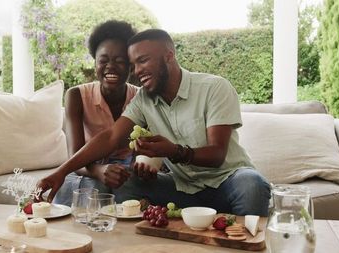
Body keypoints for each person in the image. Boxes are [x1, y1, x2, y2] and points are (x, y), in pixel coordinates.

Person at [40, 28, 271, 216]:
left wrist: (174, 151)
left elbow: (217, 154)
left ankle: (242, 238)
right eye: (133, 65)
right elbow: (111, 137)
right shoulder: (143, 99)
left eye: (142, 61)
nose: (136, 71)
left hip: (227, 181)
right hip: (183, 188)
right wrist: (61, 171)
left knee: (251, 184)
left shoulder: (214, 87)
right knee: (124, 184)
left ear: (169, 56)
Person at [51, 20, 138, 205]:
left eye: (120, 61)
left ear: (131, 66)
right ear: (95, 64)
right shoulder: (76, 96)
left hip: (126, 173)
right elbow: (74, 156)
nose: (110, 67)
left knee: (128, 190)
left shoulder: (140, 98)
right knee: (93, 188)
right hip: (87, 168)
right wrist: (99, 170)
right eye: (103, 61)